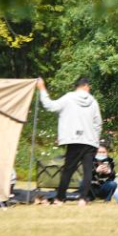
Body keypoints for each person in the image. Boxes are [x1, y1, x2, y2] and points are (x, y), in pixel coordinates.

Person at [37, 76, 102, 207]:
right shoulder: (93, 101)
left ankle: (60, 199)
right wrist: (95, 138)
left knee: (68, 170)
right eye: (89, 87)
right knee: (88, 171)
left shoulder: (68, 98)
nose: (89, 90)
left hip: (74, 140)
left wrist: (42, 88)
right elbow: (98, 123)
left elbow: (50, 106)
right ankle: (83, 199)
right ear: (85, 86)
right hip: (90, 141)